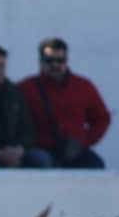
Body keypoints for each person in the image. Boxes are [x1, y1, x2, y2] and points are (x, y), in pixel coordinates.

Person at [18, 37, 111, 169]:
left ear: (66, 61)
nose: (55, 65)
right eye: (49, 61)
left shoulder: (83, 86)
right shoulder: (26, 88)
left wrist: (85, 140)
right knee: (42, 164)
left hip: (75, 150)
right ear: (40, 61)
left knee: (95, 165)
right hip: (42, 149)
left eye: (60, 60)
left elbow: (101, 118)